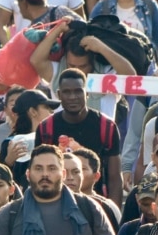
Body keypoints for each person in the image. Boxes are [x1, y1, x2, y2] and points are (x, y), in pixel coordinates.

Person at [34, 70, 123, 206]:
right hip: (56, 203)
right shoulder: (46, 128)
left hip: (95, 204)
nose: (72, 97)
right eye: (67, 92)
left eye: (78, 91)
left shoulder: (106, 127)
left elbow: (115, 177)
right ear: (59, 95)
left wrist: (113, 212)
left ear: (86, 94)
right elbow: (39, 172)